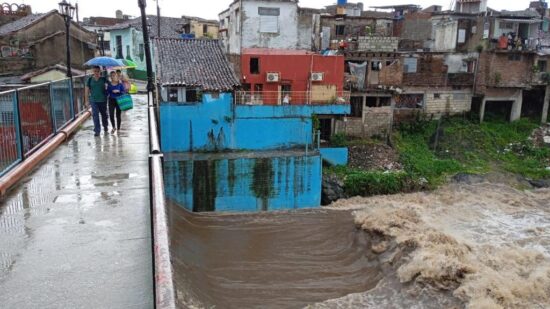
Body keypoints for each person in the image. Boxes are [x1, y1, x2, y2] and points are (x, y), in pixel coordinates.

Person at [85, 66, 109, 136]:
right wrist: (86, 101)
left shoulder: (103, 79)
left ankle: (105, 126)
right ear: (93, 71)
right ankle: (97, 131)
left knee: (104, 115)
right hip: (94, 100)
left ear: (100, 72)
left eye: (98, 71)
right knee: (95, 115)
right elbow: (86, 90)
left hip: (103, 100)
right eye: (95, 71)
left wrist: (107, 86)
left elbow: (110, 85)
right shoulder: (89, 80)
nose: (96, 73)